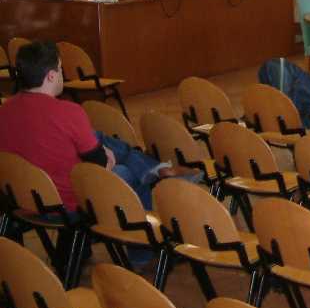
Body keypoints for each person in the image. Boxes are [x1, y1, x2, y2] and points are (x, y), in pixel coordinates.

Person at [0, 41, 198, 214]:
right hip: (67, 202)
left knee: (95, 136)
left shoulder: (5, 110)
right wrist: (107, 160)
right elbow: (101, 164)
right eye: (60, 69)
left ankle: (155, 169)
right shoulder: (68, 111)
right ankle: (142, 237)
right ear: (51, 76)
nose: (62, 74)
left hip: (20, 196)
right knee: (127, 172)